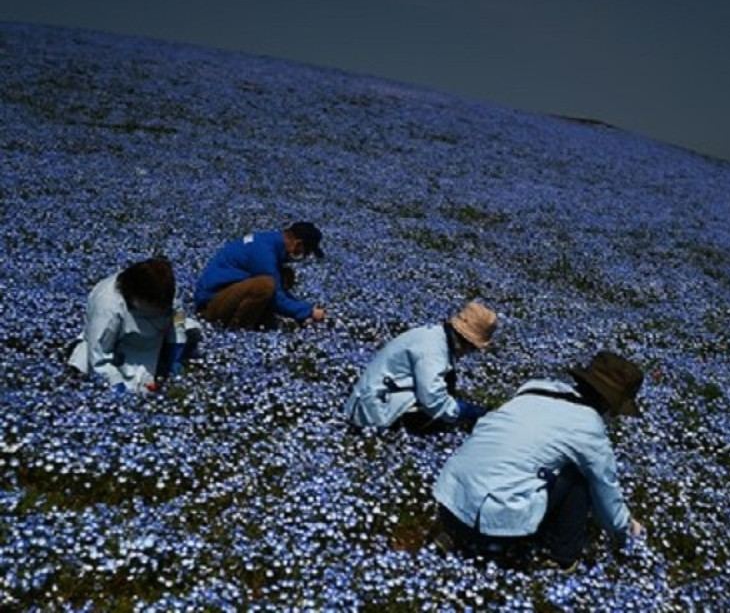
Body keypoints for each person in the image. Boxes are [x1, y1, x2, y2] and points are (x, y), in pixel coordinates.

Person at [431, 350, 647, 571]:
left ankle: (455, 534)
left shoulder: (535, 389)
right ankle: (562, 559)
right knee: (581, 478)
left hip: (448, 502)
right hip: (489, 524)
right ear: (608, 403)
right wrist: (625, 527)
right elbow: (605, 489)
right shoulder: (588, 426)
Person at [344, 302, 498, 430]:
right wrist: (463, 412)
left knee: (448, 380)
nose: (470, 353)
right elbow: (432, 398)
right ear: (464, 341)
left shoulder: (436, 336)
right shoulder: (432, 351)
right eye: (473, 348)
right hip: (372, 411)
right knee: (439, 412)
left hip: (376, 397)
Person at [68, 257, 199, 392]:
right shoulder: (108, 305)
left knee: (192, 329)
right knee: (122, 381)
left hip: (155, 343)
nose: (161, 309)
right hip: (120, 348)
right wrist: (116, 384)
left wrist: (176, 347)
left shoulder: (166, 290)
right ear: (136, 297)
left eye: (163, 306)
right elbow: (99, 354)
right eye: (156, 306)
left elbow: (178, 318)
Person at [195, 222, 326, 329]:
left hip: (226, 293)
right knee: (265, 285)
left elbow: (279, 288)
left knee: (285, 275)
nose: (305, 256)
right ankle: (240, 328)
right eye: (306, 252)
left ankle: (266, 319)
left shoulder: (269, 241)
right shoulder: (264, 252)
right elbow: (276, 296)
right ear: (298, 244)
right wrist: (308, 311)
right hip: (211, 303)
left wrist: (304, 309)